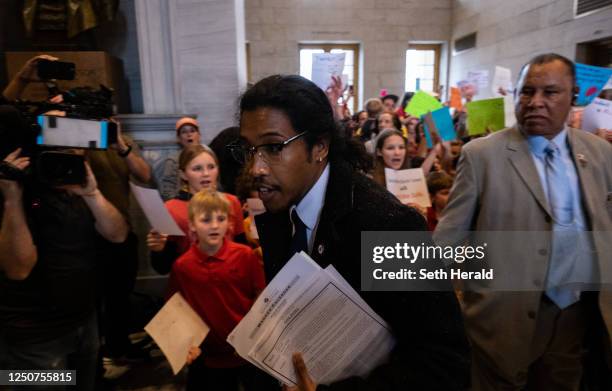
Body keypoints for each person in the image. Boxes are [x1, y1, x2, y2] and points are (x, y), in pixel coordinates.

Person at [231, 74, 470, 390]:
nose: (256, 168)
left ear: (319, 147)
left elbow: (444, 362)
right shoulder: (276, 209)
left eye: (274, 147)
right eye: (249, 150)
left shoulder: (386, 226)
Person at [434, 53, 612, 390]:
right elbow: (447, 244)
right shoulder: (481, 156)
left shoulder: (601, 154)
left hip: (576, 321)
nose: (535, 102)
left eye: (550, 93)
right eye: (527, 92)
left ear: (573, 96)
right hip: (500, 325)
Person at [0, 148, 129, 391]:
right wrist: (12, 198)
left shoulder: (78, 189)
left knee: (83, 384)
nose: (71, 152)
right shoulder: (17, 189)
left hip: (83, 323)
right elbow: (18, 269)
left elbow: (118, 234)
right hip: (35, 338)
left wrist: (92, 193)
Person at [167, 190, 267, 391]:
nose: (214, 225)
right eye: (206, 220)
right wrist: (185, 344)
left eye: (220, 219)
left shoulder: (245, 255)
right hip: (206, 358)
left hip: (247, 354)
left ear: (229, 224)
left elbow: (261, 297)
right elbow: (175, 308)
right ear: (192, 225)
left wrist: (251, 336)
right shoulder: (182, 266)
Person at [148, 144, 245, 274]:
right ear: (183, 174)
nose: (206, 174)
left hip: (230, 278)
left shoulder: (231, 202)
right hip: (191, 280)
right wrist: (158, 250)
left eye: (211, 167)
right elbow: (163, 268)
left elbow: (242, 249)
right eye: (197, 169)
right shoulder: (170, 209)